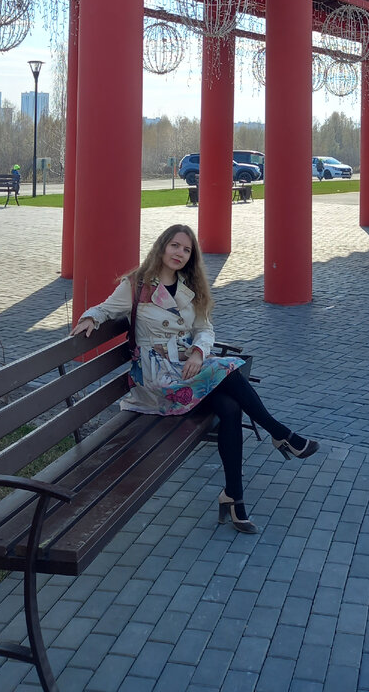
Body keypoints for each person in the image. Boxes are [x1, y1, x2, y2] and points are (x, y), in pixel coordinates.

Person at [71, 224, 318, 533]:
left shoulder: (191, 287)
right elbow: (105, 309)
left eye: (186, 250)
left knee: (230, 407)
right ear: (162, 247)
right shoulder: (137, 285)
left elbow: (205, 329)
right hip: (156, 380)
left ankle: (235, 498)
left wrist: (200, 352)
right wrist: (91, 318)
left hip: (186, 368)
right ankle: (279, 433)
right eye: (174, 245)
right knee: (229, 368)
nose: (179, 253)